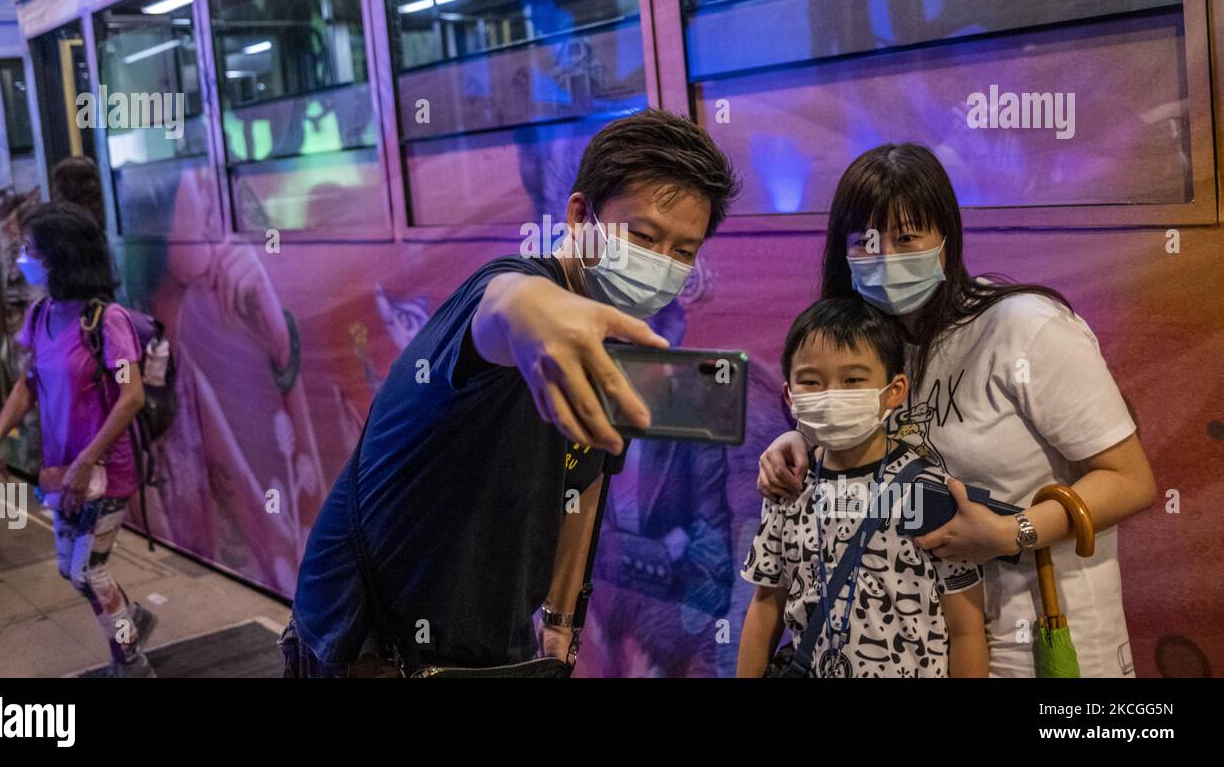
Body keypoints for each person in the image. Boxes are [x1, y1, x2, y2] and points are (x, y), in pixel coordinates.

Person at [282, 109, 740, 675]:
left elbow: (586, 480)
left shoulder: (609, 337)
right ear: (579, 214)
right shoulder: (506, 291)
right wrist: (536, 314)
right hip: (365, 644)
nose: (662, 265)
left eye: (683, 251)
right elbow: (509, 304)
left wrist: (560, 623)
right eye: (644, 237)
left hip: (491, 650)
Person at [756, 143, 1156, 677]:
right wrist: (803, 440)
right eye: (867, 242)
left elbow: (1129, 479)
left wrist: (1012, 534)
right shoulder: (872, 348)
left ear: (945, 238)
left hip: (1042, 637)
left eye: (907, 237)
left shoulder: (1024, 327)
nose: (888, 259)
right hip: (927, 650)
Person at [737, 296, 987, 678]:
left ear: (894, 390)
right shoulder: (786, 486)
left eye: (853, 380)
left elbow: (966, 629)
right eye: (811, 381)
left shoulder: (931, 491)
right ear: (789, 395)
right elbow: (765, 607)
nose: (832, 394)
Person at [0, 203, 158, 676]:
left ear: (60, 256)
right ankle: (131, 618)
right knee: (70, 569)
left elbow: (132, 394)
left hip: (104, 472)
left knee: (88, 571)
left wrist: (87, 459)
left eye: (30, 249)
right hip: (62, 471)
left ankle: (132, 658)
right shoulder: (40, 317)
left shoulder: (106, 321)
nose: (22, 257)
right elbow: (28, 382)